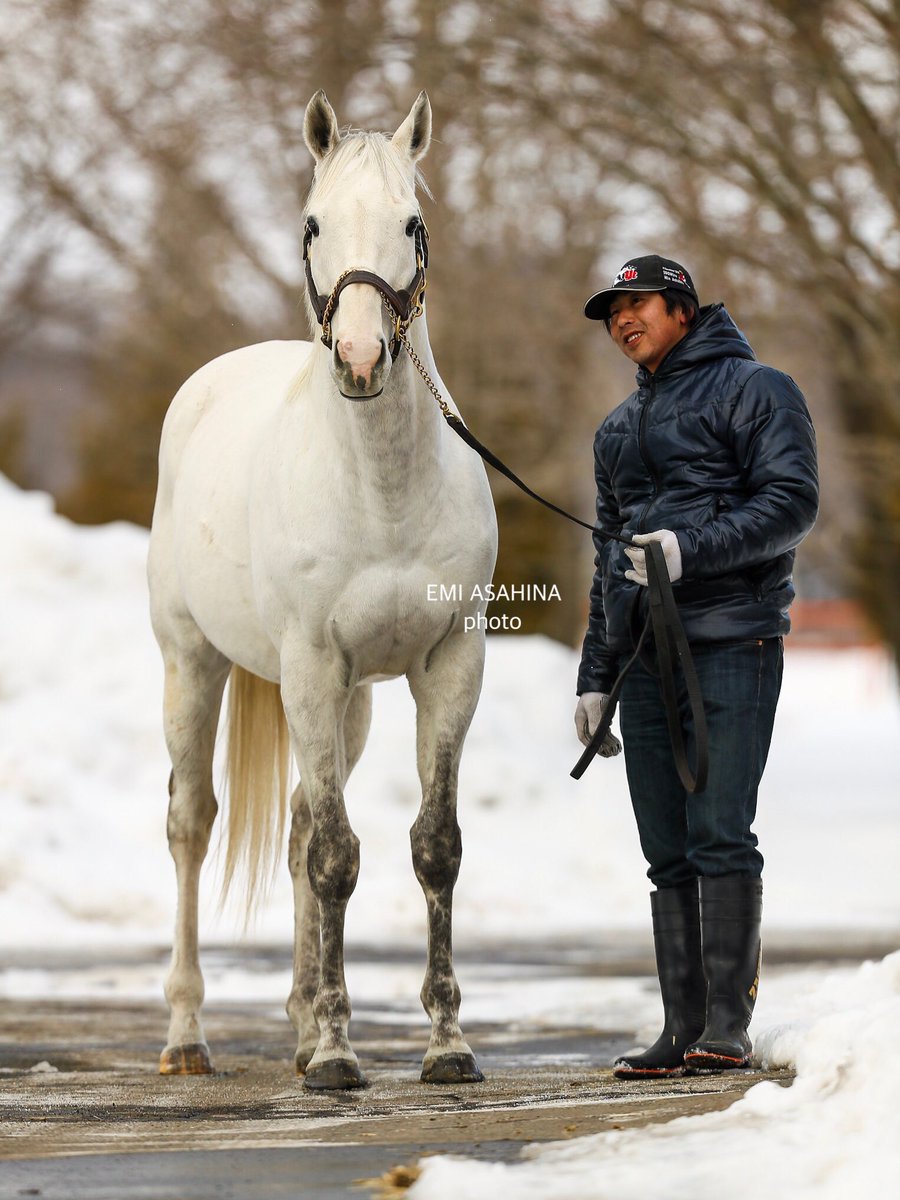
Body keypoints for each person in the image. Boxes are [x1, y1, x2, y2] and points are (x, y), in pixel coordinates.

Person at [574, 255, 818, 1078]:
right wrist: (595, 673)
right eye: (611, 311)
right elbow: (607, 557)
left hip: (731, 636)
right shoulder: (614, 430)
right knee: (665, 847)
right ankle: (680, 1028)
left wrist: (689, 551)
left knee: (719, 831)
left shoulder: (759, 389)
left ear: (680, 305)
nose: (621, 319)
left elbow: (790, 504)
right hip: (644, 656)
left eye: (635, 302)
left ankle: (726, 1025)